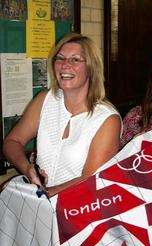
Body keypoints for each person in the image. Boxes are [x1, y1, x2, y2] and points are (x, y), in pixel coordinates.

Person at [3, 32, 122, 197]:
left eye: (75, 59)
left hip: (77, 210)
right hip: (40, 205)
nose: (65, 65)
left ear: (91, 68)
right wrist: (28, 169)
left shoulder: (107, 119)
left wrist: (44, 195)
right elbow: (12, 141)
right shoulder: (45, 100)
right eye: (60, 58)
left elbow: (91, 179)